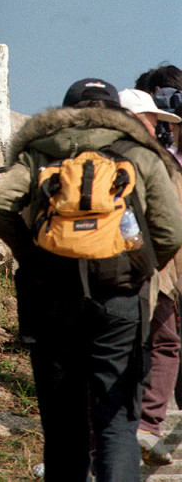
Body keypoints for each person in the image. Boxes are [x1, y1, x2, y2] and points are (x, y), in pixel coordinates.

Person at [0, 77, 182, 482]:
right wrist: (139, 267)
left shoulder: (40, 151)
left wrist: (32, 255)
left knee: (64, 427)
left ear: (67, 111)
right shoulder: (140, 152)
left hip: (53, 299)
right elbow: (172, 232)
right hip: (120, 299)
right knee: (116, 422)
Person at [118, 89, 182, 466]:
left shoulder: (82, 155)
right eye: (154, 119)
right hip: (154, 272)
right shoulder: (155, 160)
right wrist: (156, 266)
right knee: (165, 343)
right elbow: (171, 227)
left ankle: (100, 439)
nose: (160, 126)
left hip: (93, 275)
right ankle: (147, 424)